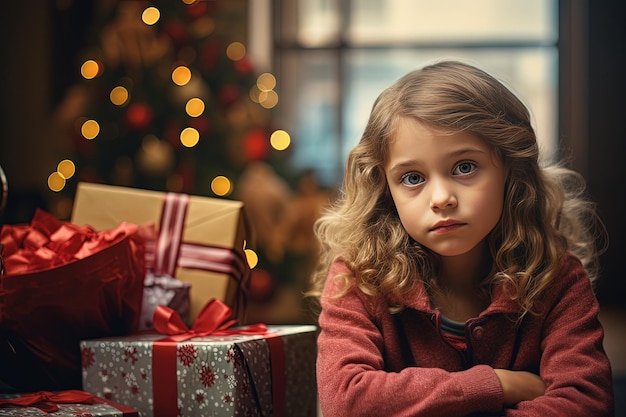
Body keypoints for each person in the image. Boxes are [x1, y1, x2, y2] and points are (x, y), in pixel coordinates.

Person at [308, 60, 614, 416]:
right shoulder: (358, 279)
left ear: (511, 170)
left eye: (464, 167)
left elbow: (586, 403)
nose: (441, 198)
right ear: (385, 189)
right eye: (411, 178)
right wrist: (498, 385)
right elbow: (345, 401)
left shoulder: (558, 278)